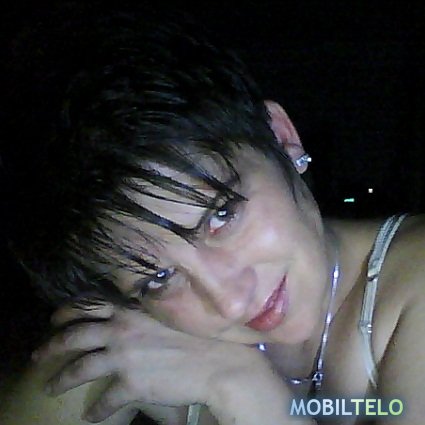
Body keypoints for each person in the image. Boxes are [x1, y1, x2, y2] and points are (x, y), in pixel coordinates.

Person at [1, 6, 425, 425]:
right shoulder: (135, 336)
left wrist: (246, 394)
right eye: (159, 278)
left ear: (280, 137)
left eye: (221, 215)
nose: (229, 301)